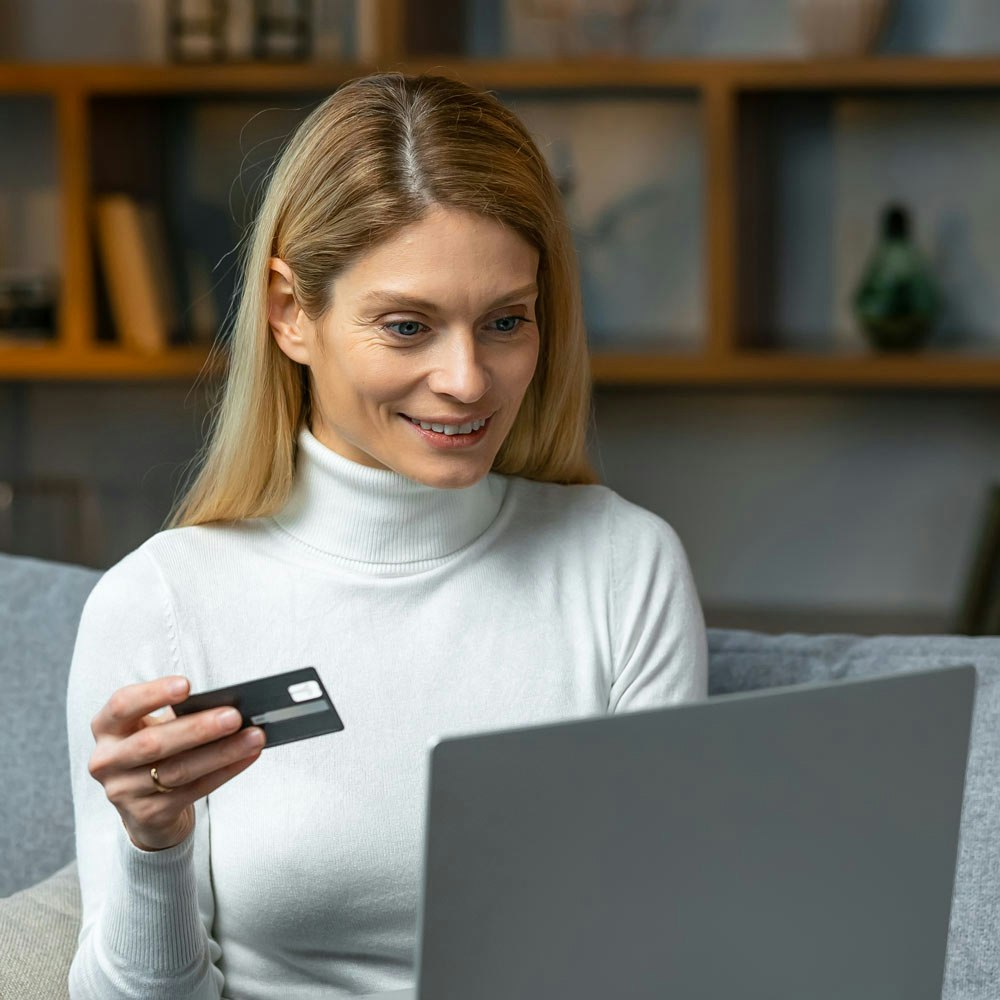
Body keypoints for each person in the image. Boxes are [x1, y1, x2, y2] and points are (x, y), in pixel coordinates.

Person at [66, 71, 708, 999]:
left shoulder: (622, 565)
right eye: (407, 326)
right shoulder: (160, 604)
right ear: (292, 313)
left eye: (505, 322)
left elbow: (665, 944)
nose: (468, 380)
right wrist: (152, 846)